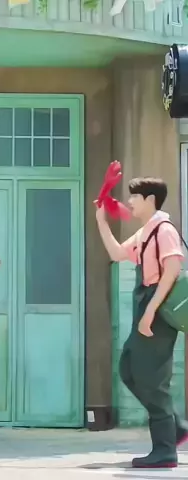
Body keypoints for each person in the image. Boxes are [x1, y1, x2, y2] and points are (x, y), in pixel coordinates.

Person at [96, 177, 188, 468]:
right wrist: (102, 220)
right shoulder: (145, 231)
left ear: (150, 199)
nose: (130, 202)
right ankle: (175, 429)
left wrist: (151, 311)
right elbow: (117, 254)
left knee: (152, 379)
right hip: (146, 305)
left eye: (135, 196)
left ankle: (165, 451)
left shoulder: (164, 229)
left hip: (157, 309)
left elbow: (172, 269)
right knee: (129, 369)